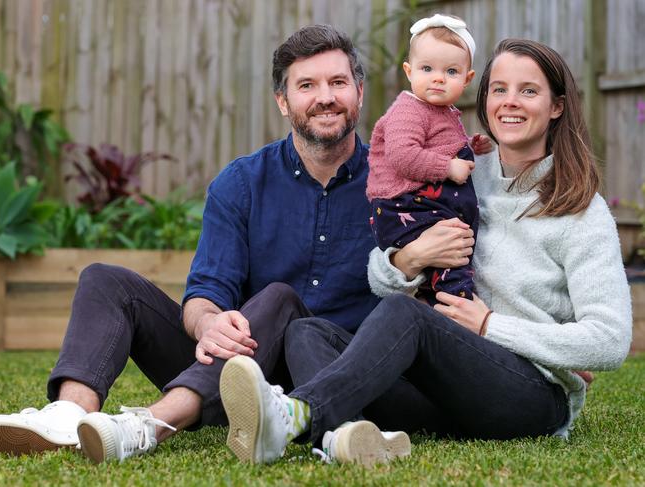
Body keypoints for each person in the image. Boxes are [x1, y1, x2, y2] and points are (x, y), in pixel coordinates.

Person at [0, 24, 413, 465]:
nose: (325, 97)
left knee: (281, 302)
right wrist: (211, 324)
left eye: (337, 82)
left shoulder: (398, 185)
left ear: (359, 93)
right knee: (104, 279)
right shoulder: (241, 183)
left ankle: (151, 425)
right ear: (283, 102)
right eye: (307, 85)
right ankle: (68, 415)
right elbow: (204, 293)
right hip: (236, 373)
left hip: (338, 373)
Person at [219, 38, 632, 465]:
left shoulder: (580, 210)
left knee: (408, 314)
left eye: (528, 91)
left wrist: (490, 325)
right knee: (307, 331)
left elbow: (610, 340)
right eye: (499, 89)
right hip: (448, 391)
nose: (511, 102)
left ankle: (297, 413)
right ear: (483, 97)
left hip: (530, 397)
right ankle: (341, 437)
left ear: (557, 106)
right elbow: (381, 276)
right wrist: (407, 259)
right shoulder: (463, 172)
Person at [368, 13, 482, 305]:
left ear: (467, 79)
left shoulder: (440, 111)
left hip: (424, 204)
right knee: (451, 252)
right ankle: (457, 303)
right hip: (404, 205)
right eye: (427, 68)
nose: (438, 78)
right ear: (409, 71)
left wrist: (470, 146)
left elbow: (438, 144)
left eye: (451, 72)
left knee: (451, 250)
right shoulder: (408, 110)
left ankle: (440, 299)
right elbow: (403, 155)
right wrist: (448, 167)